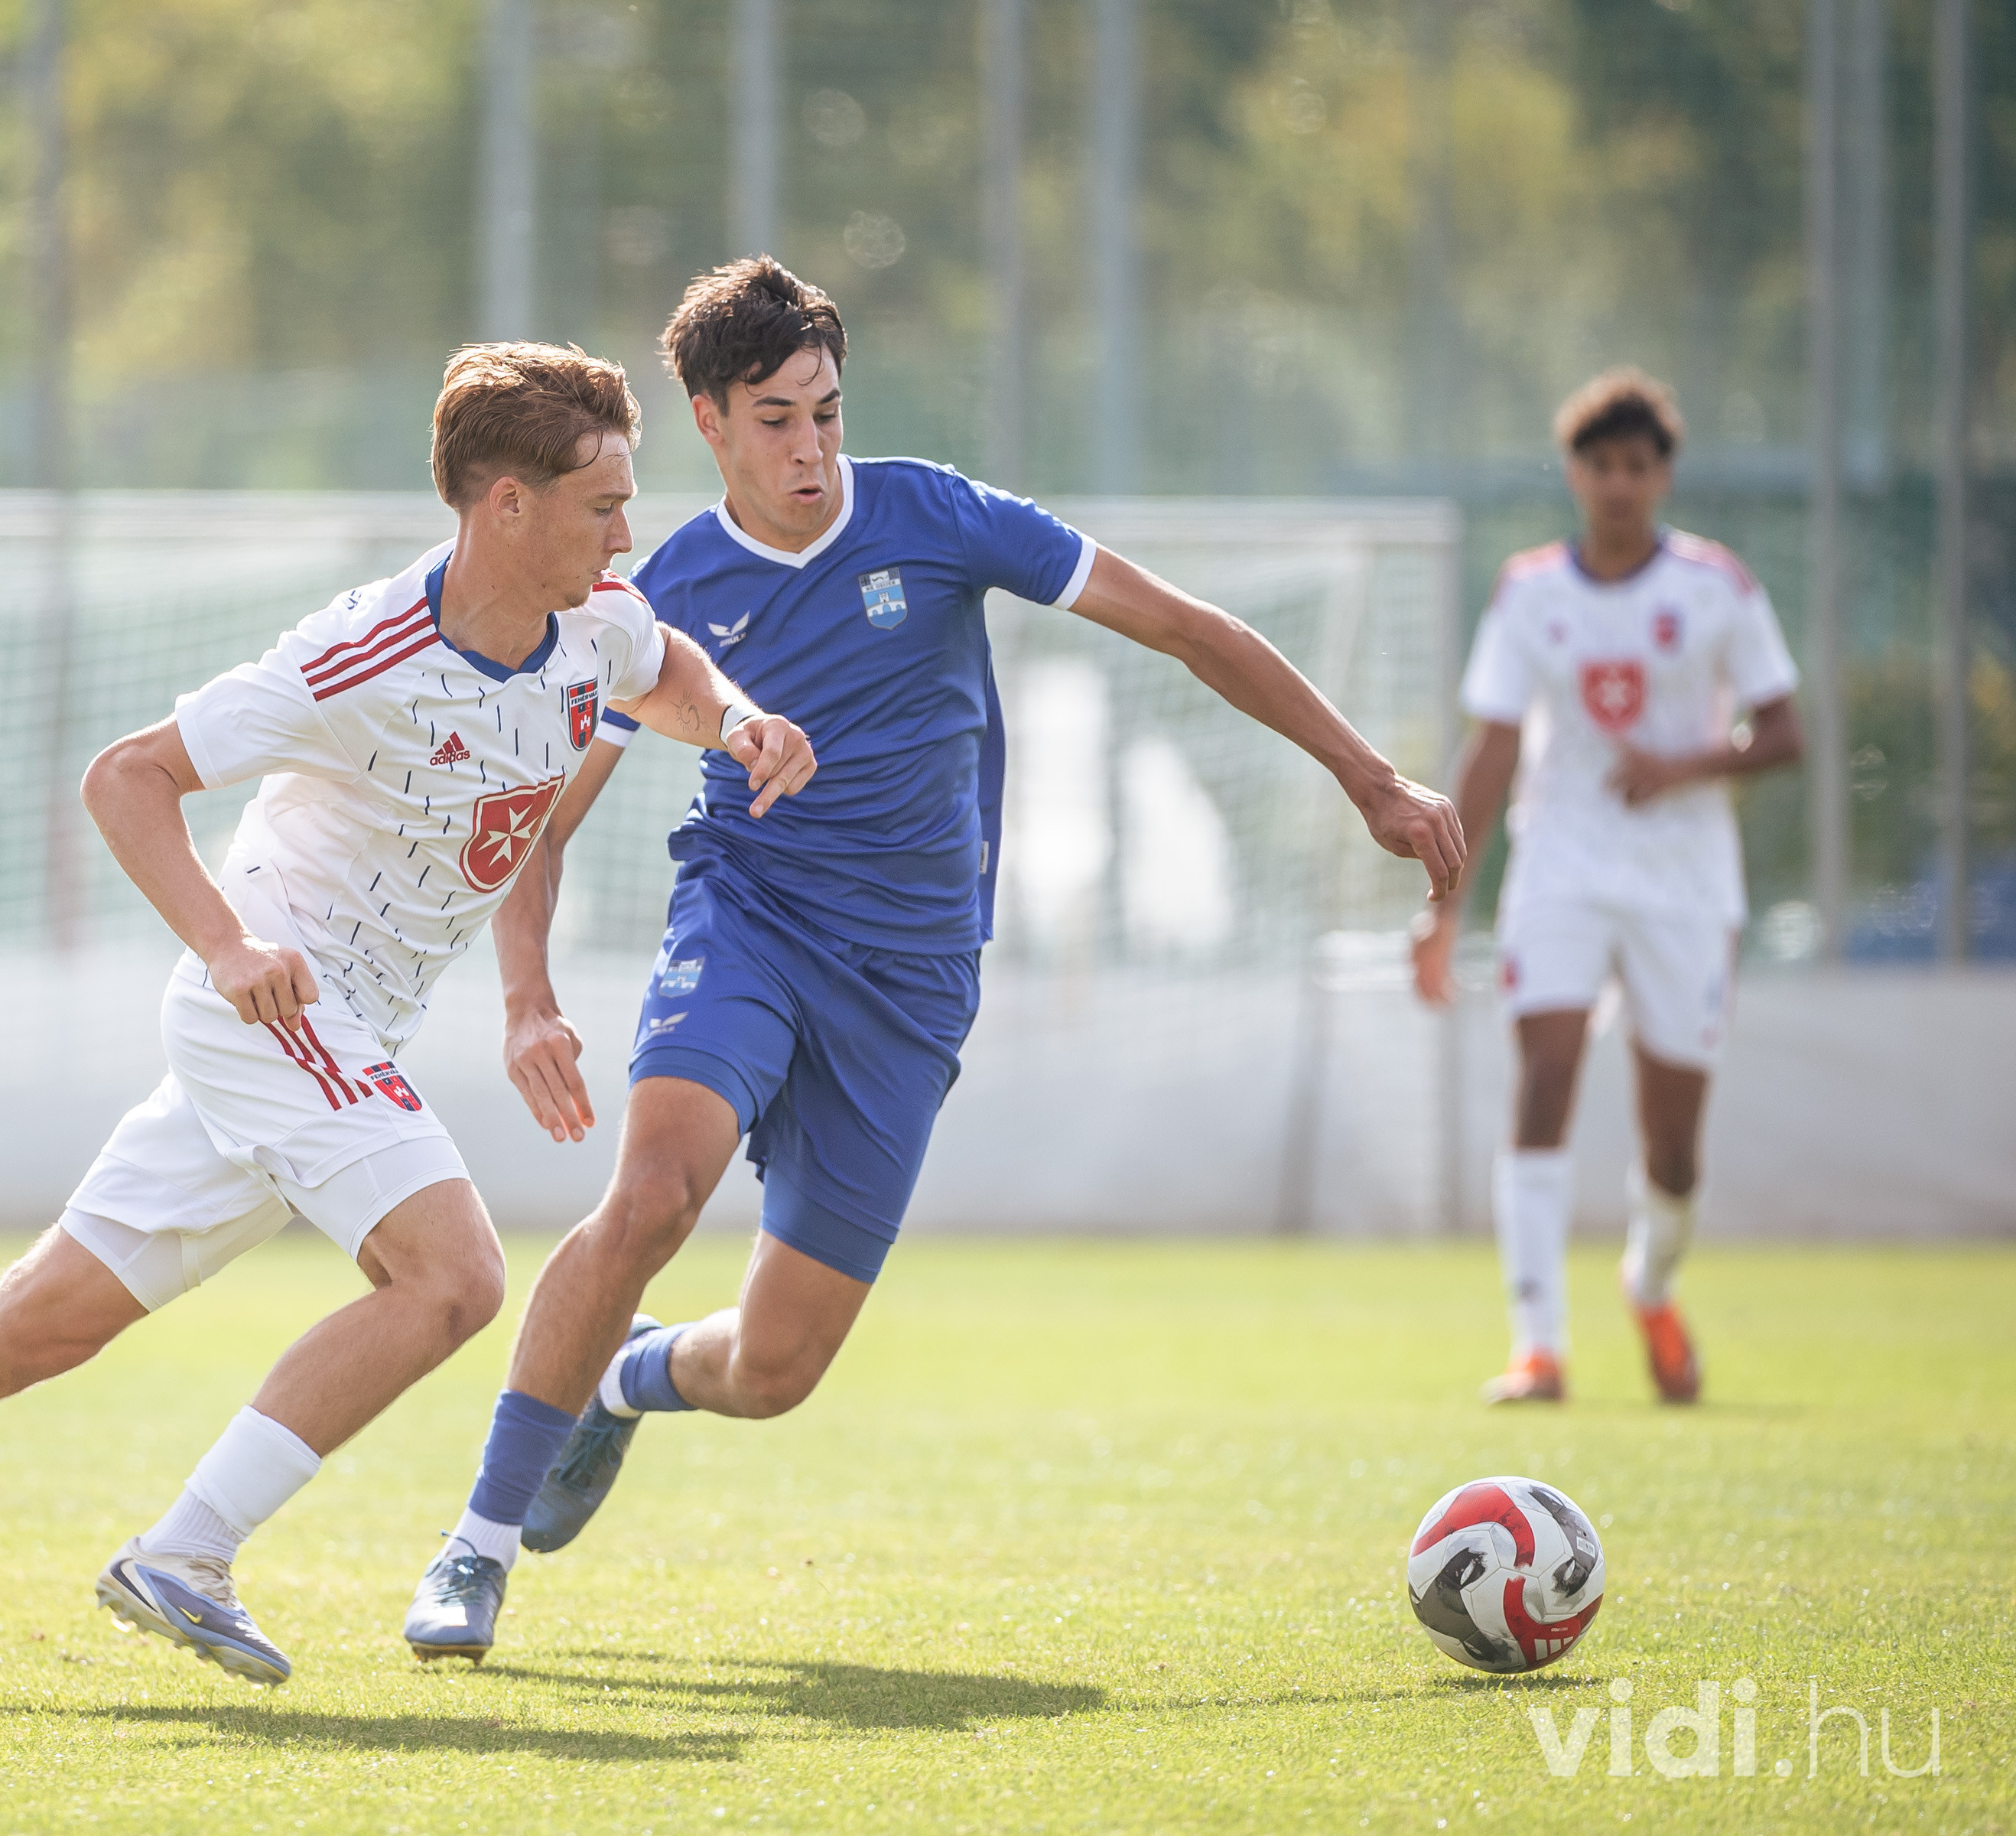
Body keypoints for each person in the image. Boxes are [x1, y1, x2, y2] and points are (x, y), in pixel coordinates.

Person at [0, 342, 815, 1694]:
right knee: (454, 1279)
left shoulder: (596, 619)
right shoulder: (358, 655)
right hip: (276, 1008)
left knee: (40, 1323)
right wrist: (229, 943)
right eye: (603, 506)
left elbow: (664, 667)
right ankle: (186, 1553)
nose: (626, 535)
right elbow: (126, 778)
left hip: (333, 1039)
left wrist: (737, 722)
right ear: (507, 505)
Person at [399, 257, 1466, 1661]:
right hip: (750, 920)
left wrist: (1371, 778)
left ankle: (625, 1380)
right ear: (710, 423)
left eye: (828, 412)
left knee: (773, 1369)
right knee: (653, 1192)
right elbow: (546, 820)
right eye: (776, 420)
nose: (811, 449)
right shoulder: (659, 594)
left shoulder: (938, 516)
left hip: (911, 986)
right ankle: (474, 1548)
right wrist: (528, 1000)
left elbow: (1185, 628)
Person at [1410, 366, 1803, 1407]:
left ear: (1663, 475)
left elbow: (1785, 733)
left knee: (1673, 1148)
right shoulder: (1530, 591)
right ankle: (1538, 1346)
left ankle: (1651, 1285)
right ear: (1574, 474)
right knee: (1544, 1078)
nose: (1619, 484)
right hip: (1563, 867)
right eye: (1601, 465)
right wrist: (1445, 907)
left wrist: (1687, 766)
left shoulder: (1716, 586)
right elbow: (1493, 750)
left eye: (1637, 465)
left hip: (1686, 882)